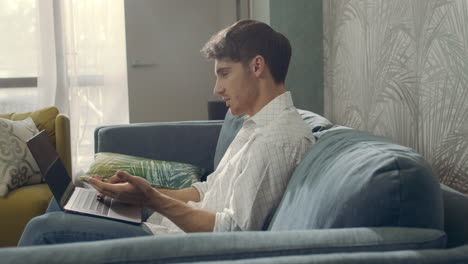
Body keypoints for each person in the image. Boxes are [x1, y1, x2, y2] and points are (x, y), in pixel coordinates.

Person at [18, 19, 315, 245]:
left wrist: (151, 200)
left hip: (176, 245)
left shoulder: (277, 139)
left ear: (257, 66)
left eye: (224, 73)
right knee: (69, 198)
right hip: (168, 223)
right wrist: (139, 193)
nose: (217, 89)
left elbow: (232, 233)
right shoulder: (255, 125)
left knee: (43, 230)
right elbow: (206, 191)